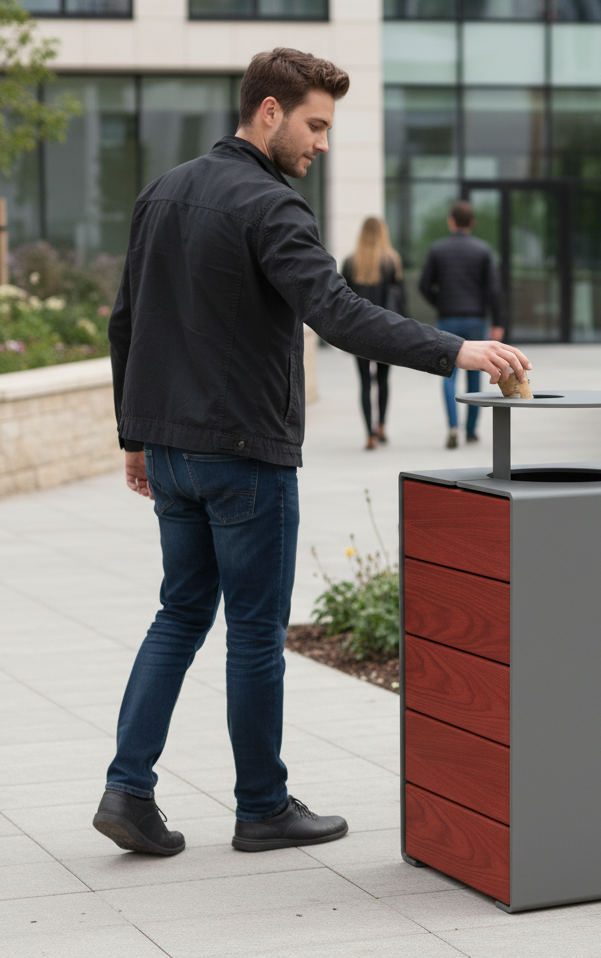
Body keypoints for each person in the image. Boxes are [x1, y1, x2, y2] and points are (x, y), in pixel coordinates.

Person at [94, 48, 530, 857]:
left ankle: (128, 790)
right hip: (244, 456)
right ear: (269, 111)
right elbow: (335, 314)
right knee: (255, 634)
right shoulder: (272, 205)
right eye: (316, 124)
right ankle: (262, 807)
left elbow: (126, 321)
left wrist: (135, 436)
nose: (322, 143)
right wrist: (455, 351)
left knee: (180, 613)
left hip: (172, 450)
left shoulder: (162, 192)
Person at [419, 200, 505, 448]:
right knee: (476, 376)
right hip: (476, 320)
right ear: (473, 223)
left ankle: (453, 426)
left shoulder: (438, 249)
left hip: (448, 318)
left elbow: (424, 286)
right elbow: (494, 290)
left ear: (451, 221)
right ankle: (471, 430)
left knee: (447, 374)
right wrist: (498, 322)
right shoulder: (483, 250)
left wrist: (440, 303)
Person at [341, 217, 403, 449]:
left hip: (359, 331)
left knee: (365, 383)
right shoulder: (391, 261)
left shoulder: (351, 262)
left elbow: (342, 299)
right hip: (386, 329)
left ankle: (369, 433)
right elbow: (400, 299)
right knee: (384, 380)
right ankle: (382, 426)